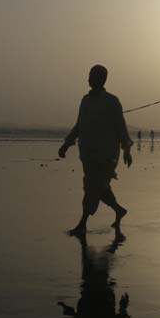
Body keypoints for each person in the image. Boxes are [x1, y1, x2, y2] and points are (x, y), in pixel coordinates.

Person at [58, 64, 133, 237]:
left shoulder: (112, 101)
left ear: (101, 79)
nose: (89, 78)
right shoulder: (85, 101)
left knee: (93, 188)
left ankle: (82, 224)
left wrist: (127, 150)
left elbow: (121, 128)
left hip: (106, 156)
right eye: (89, 75)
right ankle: (119, 210)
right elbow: (79, 126)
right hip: (88, 154)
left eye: (92, 75)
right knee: (99, 188)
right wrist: (66, 144)